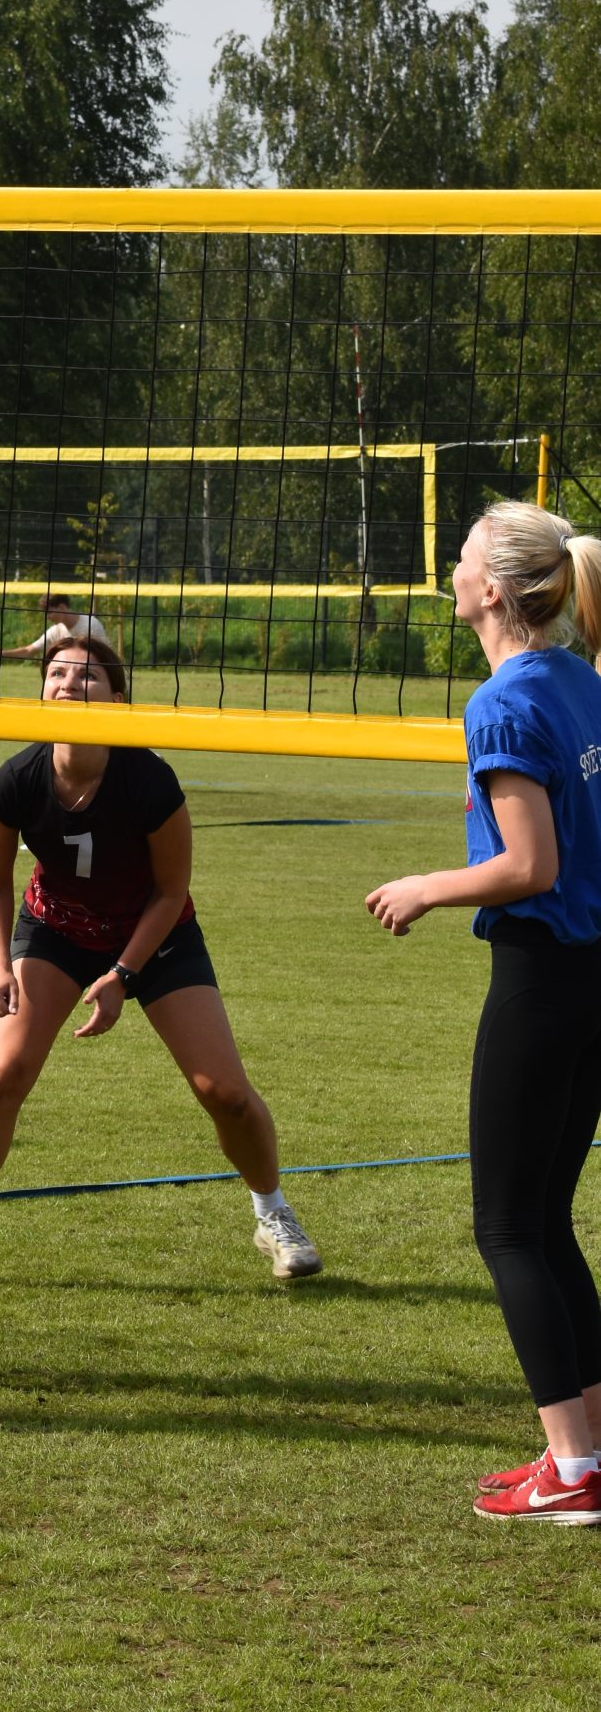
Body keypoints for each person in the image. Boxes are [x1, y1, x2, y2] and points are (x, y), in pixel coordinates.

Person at [0, 629, 321, 1293]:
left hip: (155, 935)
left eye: (86, 676)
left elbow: (170, 891)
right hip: (55, 931)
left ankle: (273, 1214)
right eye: (57, 674)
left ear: (116, 698)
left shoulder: (148, 779)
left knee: (222, 1092)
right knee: (4, 1075)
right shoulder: (16, 779)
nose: (68, 684)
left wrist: (122, 974)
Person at [367, 501, 601, 1526]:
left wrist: (426, 884)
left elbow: (528, 865)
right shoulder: (579, 678)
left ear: (493, 589)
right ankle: (587, 1452)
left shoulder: (503, 702)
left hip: (543, 976)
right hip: (588, 975)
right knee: (545, 1221)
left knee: (506, 1226)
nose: (451, 569)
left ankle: (573, 1470)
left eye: (461, 556)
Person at [0, 597, 109, 678]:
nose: (47, 617)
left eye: (49, 612)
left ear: (62, 607)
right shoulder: (57, 630)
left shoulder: (90, 625)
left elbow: (104, 660)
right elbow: (28, 651)